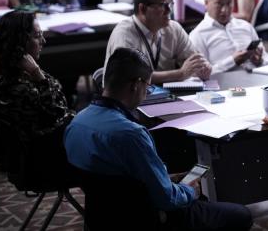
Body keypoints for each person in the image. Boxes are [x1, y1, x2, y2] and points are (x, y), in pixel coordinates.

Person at [66, 47, 252, 231]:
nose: (147, 92)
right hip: (148, 218)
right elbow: (166, 199)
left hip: (102, 218)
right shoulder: (131, 134)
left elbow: (119, 179)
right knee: (241, 215)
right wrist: (190, 191)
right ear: (136, 85)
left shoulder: (76, 123)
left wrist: (165, 180)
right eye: (148, 86)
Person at [0, 11, 74, 142]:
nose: (43, 41)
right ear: (20, 41)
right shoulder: (7, 85)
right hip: (44, 153)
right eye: (37, 36)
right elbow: (56, 116)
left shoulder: (24, 72)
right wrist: (39, 77)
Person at [103, 0, 211, 85]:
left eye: (170, 4)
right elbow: (133, 77)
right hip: (128, 98)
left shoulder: (173, 28)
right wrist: (180, 73)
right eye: (162, 5)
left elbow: (194, 61)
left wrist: (202, 68)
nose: (169, 10)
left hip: (166, 96)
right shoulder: (124, 34)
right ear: (143, 8)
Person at [189, 0, 268, 73]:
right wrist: (232, 62)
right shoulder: (198, 35)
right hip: (226, 86)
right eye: (219, 4)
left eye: (229, 3)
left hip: (256, 80)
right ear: (206, 3)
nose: (225, 10)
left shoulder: (246, 26)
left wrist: (259, 61)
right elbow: (200, 75)